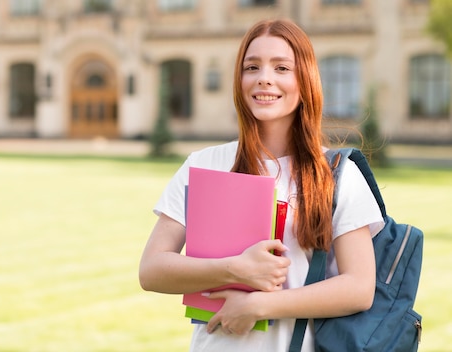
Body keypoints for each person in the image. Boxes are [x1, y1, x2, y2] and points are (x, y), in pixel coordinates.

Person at [138, 18, 385, 352]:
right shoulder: (204, 164)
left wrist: (259, 306)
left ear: (305, 80)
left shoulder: (337, 173)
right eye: (251, 67)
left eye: (282, 67)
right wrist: (235, 269)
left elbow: (358, 287)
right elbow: (152, 270)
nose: (264, 78)